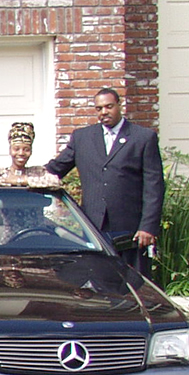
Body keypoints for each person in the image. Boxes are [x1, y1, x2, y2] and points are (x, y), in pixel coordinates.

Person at [45, 88, 164, 277]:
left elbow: (154, 186)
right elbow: (55, 169)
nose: (104, 112)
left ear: (119, 105)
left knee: (133, 283)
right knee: (99, 283)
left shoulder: (143, 138)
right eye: (99, 108)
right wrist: (17, 176)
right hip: (94, 228)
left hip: (131, 230)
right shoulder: (82, 137)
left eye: (109, 106)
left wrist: (147, 227)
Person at [0, 122, 62, 189]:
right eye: (16, 149)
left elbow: (55, 182)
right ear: (10, 150)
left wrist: (21, 180)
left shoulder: (37, 172)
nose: (21, 153)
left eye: (26, 150)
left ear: (31, 152)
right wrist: (7, 180)